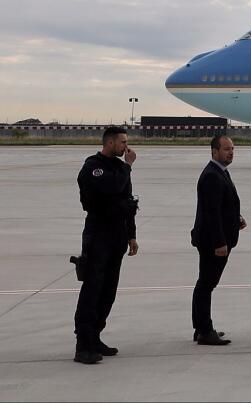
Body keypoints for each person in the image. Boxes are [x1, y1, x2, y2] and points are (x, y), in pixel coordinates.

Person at [72, 127, 139, 365]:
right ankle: (83, 344)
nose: (126, 147)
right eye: (122, 142)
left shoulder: (121, 168)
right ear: (109, 143)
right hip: (98, 235)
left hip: (117, 236)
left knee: (108, 290)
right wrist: (129, 166)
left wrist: (132, 235)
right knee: (93, 289)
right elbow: (112, 188)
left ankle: (96, 337)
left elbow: (128, 200)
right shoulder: (93, 166)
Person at [190, 135, 245, 346]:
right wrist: (220, 243)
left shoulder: (219, 171)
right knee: (206, 285)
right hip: (213, 242)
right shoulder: (212, 175)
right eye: (226, 149)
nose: (231, 152)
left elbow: (221, 205)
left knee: (205, 284)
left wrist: (236, 219)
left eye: (232, 149)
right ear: (214, 151)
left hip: (215, 237)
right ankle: (204, 330)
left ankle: (201, 327)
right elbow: (211, 213)